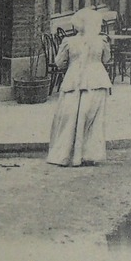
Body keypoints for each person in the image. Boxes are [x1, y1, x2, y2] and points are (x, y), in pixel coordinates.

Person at [46, 9, 114, 166]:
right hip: (96, 80)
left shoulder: (69, 42)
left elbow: (59, 62)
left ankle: (64, 155)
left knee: (68, 118)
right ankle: (89, 155)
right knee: (92, 120)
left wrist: (72, 63)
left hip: (73, 80)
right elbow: (107, 59)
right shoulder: (101, 41)